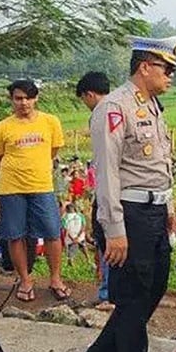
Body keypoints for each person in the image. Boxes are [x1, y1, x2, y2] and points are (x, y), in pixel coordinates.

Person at [76, 36, 176, 352]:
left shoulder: (151, 105)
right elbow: (106, 173)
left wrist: (168, 208)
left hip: (153, 213)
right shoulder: (114, 107)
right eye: (166, 68)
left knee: (150, 292)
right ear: (145, 66)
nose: (171, 76)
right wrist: (115, 230)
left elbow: (159, 164)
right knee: (133, 302)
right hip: (129, 214)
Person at [0, 79, 70, 303]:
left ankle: (55, 279)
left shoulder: (50, 122)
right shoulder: (1, 128)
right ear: (12, 100)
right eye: (18, 98)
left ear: (36, 99)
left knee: (52, 231)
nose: (24, 103)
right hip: (11, 188)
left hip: (42, 186)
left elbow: (53, 150)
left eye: (28, 98)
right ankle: (25, 280)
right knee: (15, 234)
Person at [75, 70, 113, 309]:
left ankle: (108, 292)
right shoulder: (123, 106)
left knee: (105, 238)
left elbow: (104, 159)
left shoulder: (100, 114)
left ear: (89, 94)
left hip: (108, 188)